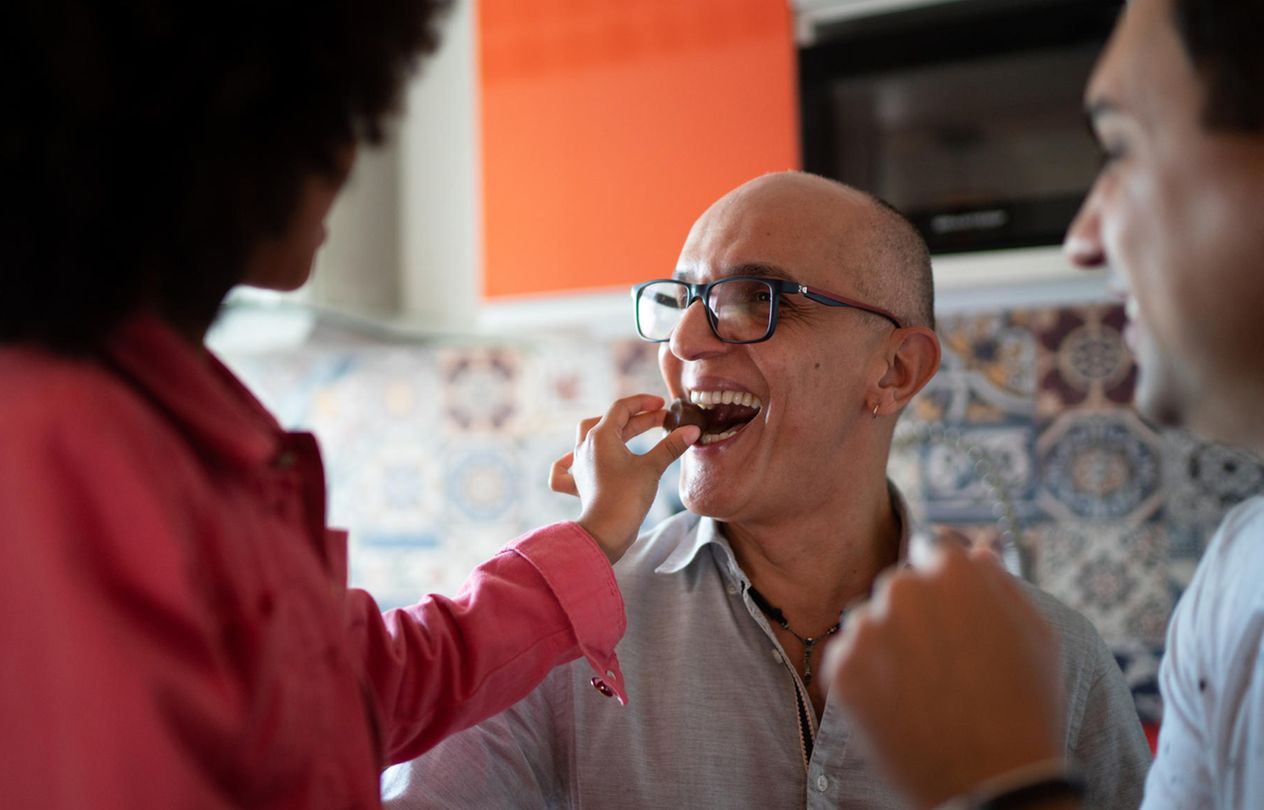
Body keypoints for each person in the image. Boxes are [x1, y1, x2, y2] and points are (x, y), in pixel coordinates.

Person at [0, 3, 699, 807]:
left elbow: (368, 688)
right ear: (196, 134)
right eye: (320, 115)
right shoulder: (42, 449)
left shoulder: (164, 426)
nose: (348, 154)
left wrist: (594, 534)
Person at [381, 172, 1151, 808]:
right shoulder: (557, 641)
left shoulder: (1057, 663)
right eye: (684, 300)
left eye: (757, 300)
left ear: (895, 372)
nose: (683, 342)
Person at [823, 0, 1264, 807]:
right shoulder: (1239, 571)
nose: (1083, 236)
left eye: (1121, 148)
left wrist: (1002, 787)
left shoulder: (1066, 648)